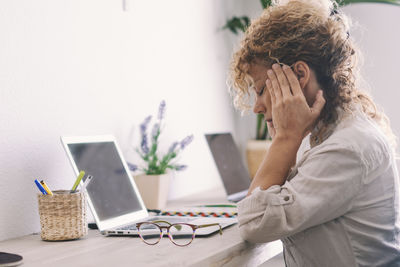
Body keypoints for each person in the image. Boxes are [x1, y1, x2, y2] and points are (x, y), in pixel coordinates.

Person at [229, 0, 400, 266]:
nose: (257, 107)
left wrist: (285, 139)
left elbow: (255, 222)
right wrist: (284, 138)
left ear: (299, 75)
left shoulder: (347, 147)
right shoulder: (328, 133)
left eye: (261, 89)